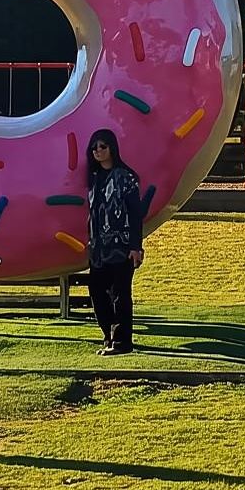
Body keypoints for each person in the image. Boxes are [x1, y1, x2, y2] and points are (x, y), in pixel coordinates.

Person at [85, 128, 143, 356]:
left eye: (103, 146)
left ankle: (122, 343)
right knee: (97, 292)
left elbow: (135, 213)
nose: (98, 151)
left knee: (120, 294)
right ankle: (109, 336)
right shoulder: (94, 177)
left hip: (122, 246)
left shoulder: (126, 177)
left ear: (112, 148)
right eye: (94, 147)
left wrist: (136, 246)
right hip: (99, 249)